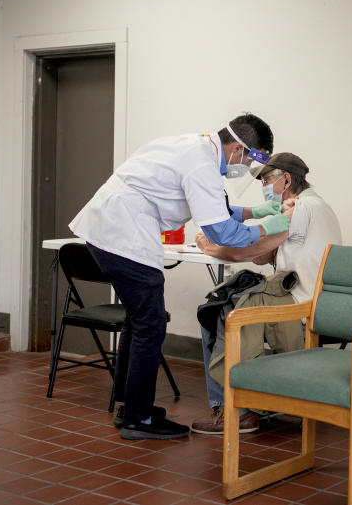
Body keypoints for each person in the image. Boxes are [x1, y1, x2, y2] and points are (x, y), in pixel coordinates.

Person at [69, 113, 290, 440]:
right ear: (239, 149)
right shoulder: (202, 166)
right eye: (252, 159)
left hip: (111, 223)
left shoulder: (194, 148)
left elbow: (217, 208)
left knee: (138, 319)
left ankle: (129, 407)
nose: (248, 167)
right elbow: (221, 231)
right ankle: (138, 419)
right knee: (151, 321)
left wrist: (255, 212)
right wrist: (266, 228)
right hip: (124, 230)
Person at [189, 152, 342, 435]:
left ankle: (239, 410)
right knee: (220, 302)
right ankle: (238, 401)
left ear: (286, 179)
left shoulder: (303, 207)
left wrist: (210, 247)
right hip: (296, 292)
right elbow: (264, 256)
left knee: (225, 309)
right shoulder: (308, 205)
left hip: (300, 302)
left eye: (267, 180)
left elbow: (252, 251)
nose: (264, 187)